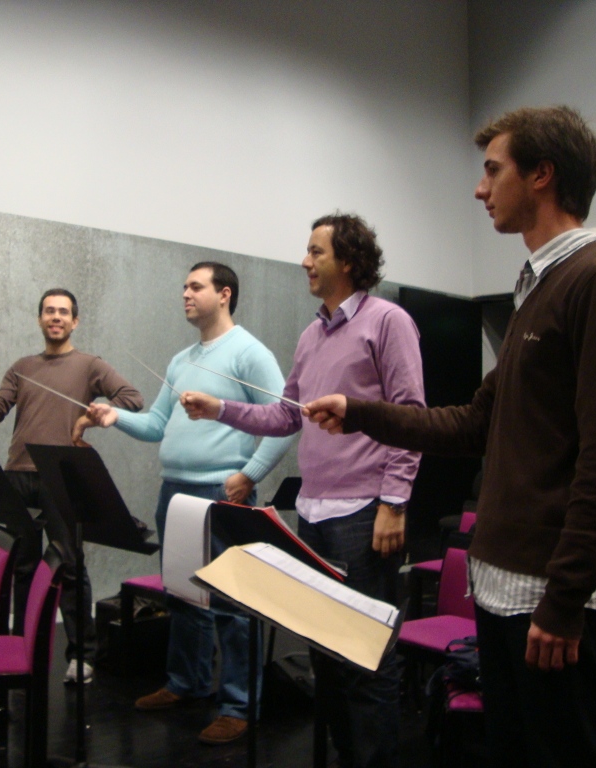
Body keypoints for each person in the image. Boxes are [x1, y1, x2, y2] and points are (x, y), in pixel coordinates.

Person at [306, 106, 596, 768]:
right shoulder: (540, 288)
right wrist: (358, 412)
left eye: (493, 171)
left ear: (542, 175)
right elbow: (473, 423)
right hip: (503, 586)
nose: (479, 188)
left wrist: (564, 603)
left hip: (549, 596)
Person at [180, 215, 425, 768]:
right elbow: (285, 416)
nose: (304, 261)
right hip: (313, 516)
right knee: (326, 654)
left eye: (316, 251)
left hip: (364, 513)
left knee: (365, 657)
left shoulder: (389, 321)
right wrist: (220, 408)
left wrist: (395, 501)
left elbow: (411, 416)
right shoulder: (312, 334)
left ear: (350, 261)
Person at [74, 262, 292, 745]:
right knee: (183, 596)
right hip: (174, 492)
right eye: (184, 287)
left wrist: (250, 474)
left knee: (231, 604)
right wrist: (113, 417)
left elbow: (285, 420)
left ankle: (238, 705)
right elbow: (157, 424)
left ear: (225, 294)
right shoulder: (181, 359)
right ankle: (186, 682)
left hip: (222, 494)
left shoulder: (250, 353)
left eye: (196, 286)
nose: (185, 294)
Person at [0, 288, 144, 684]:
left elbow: (133, 399)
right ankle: (23, 651)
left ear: (75, 321)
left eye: (63, 312)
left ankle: (82, 656)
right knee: (22, 568)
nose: (56, 317)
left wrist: (91, 418)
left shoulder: (90, 365)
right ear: (40, 319)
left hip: (61, 479)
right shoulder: (21, 367)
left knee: (69, 567)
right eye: (49, 311)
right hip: (17, 476)